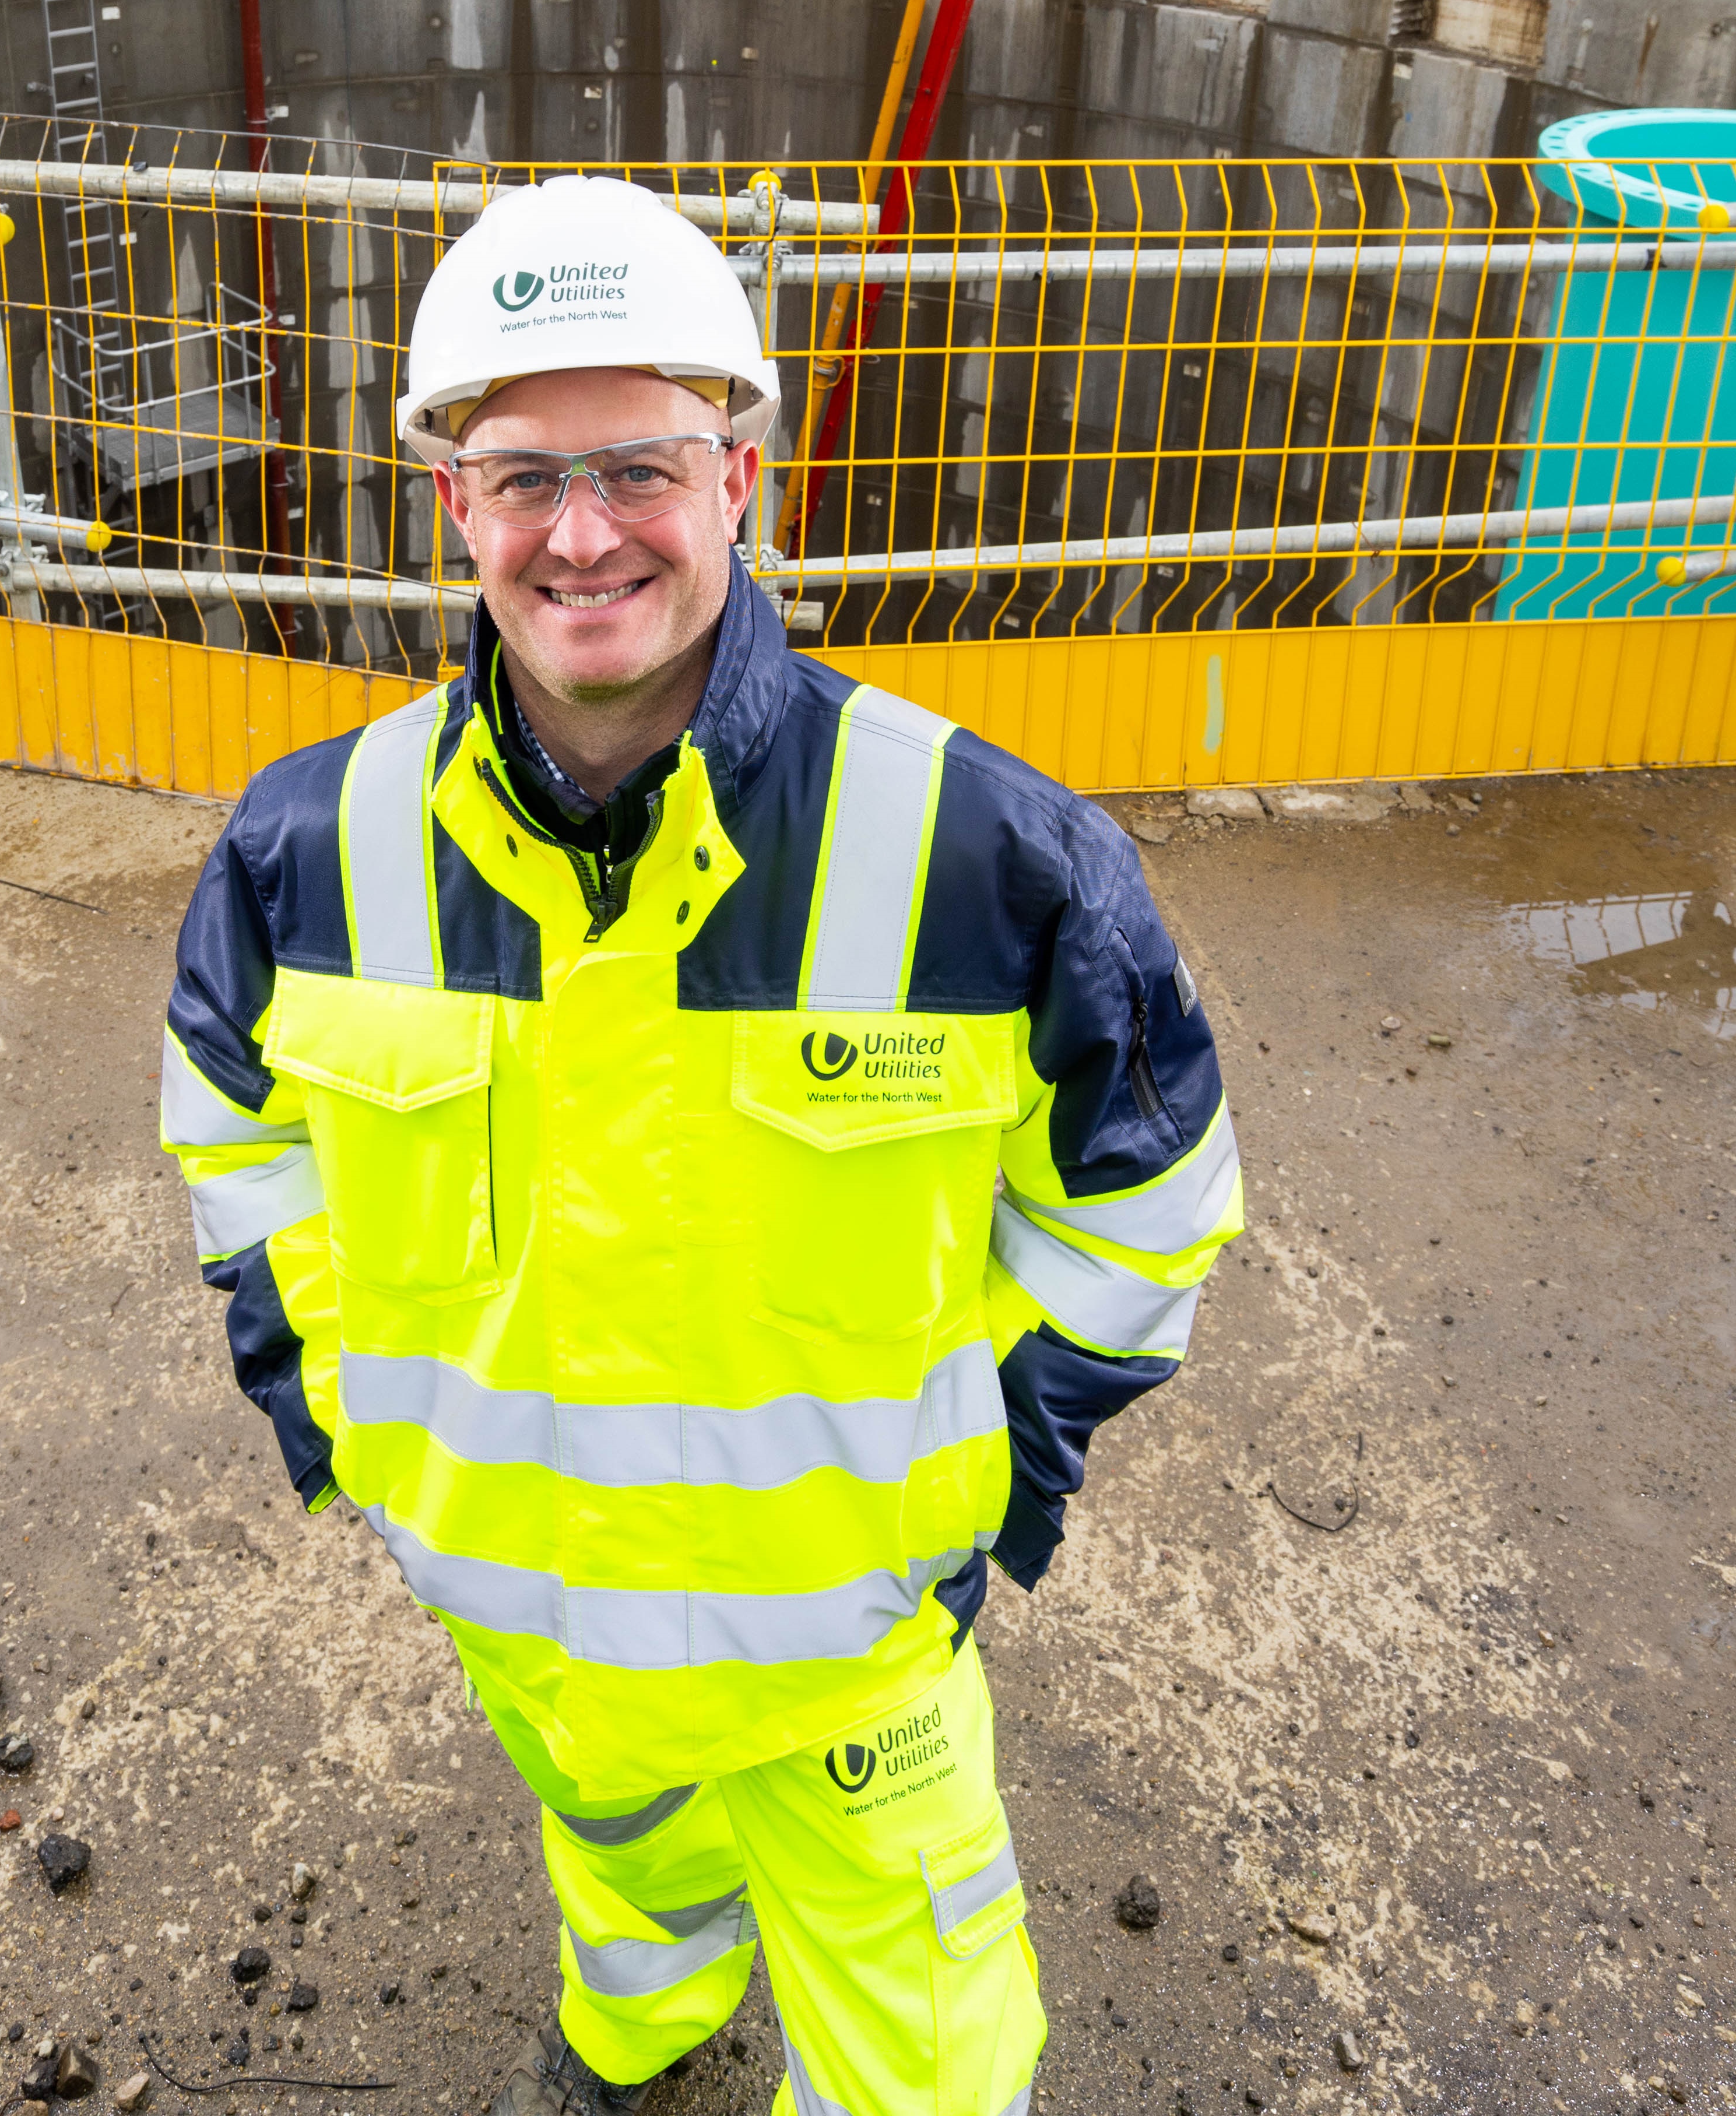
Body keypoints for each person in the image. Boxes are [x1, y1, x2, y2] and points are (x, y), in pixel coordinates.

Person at [161, 176, 1239, 2116]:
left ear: (746, 474)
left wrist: (997, 1472)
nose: (583, 536)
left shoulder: (986, 856)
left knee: (921, 2053)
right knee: (624, 1878)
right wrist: (340, 1418)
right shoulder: (304, 848)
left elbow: (1151, 1202)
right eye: (521, 479)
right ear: (451, 508)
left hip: (843, 1675)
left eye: (642, 468)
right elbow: (239, 1136)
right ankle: (635, 2044)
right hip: (522, 1627)